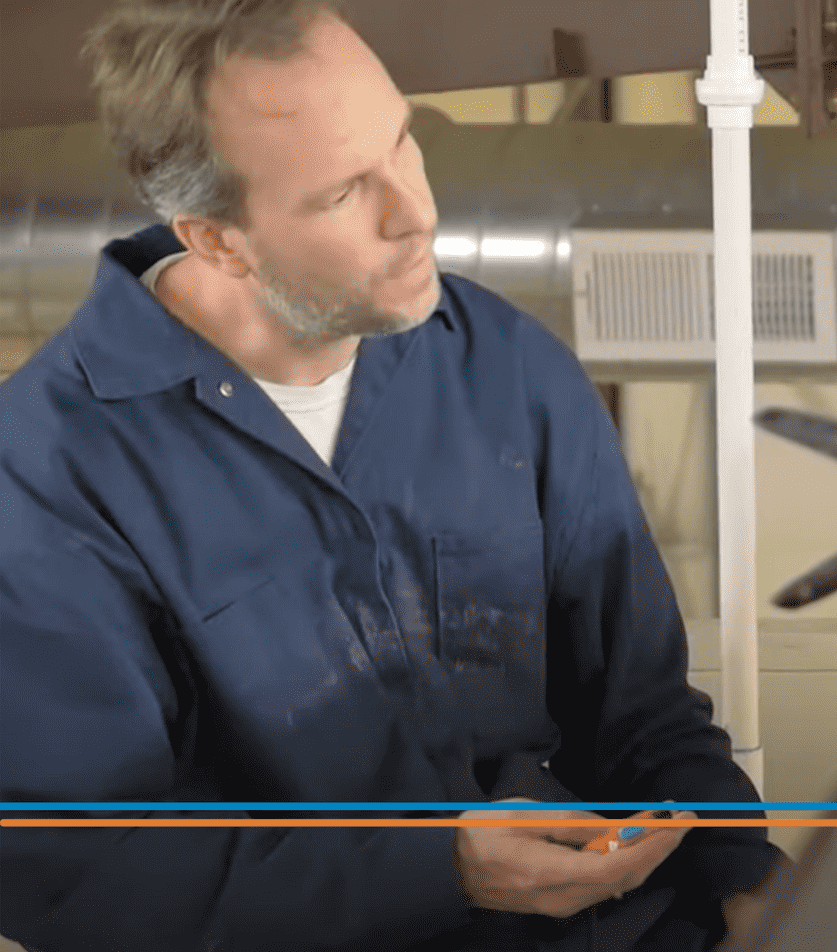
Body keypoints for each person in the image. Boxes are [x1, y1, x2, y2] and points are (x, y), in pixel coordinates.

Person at [0, 1, 784, 949]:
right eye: (340, 194)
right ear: (215, 238)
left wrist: (754, 886)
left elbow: (643, 713)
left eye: (403, 141)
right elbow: (79, 868)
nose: (416, 214)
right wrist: (438, 872)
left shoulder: (505, 362)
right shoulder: (45, 473)